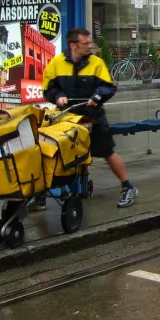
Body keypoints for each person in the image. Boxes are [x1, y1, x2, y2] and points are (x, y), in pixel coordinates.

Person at [39, 28, 137, 208]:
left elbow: (108, 86)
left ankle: (127, 187)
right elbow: (48, 88)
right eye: (86, 43)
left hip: (93, 117)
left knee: (107, 151)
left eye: (89, 42)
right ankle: (45, 194)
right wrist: (57, 96)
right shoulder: (57, 63)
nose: (90, 46)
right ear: (73, 46)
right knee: (59, 155)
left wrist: (97, 97)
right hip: (67, 120)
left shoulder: (96, 63)